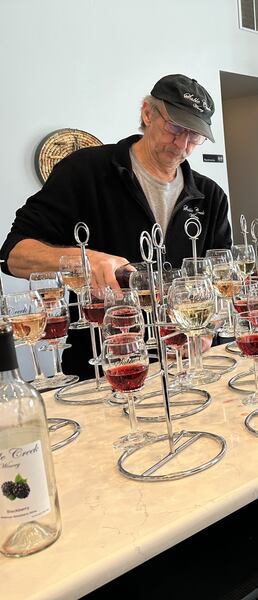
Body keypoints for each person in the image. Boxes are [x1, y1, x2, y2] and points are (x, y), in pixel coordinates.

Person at [0, 74, 233, 378]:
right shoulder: (84, 171)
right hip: (106, 367)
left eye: (194, 135)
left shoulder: (210, 196)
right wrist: (83, 260)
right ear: (147, 113)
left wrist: (208, 327)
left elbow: (220, 278)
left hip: (187, 365)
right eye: (175, 127)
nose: (181, 144)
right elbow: (12, 255)